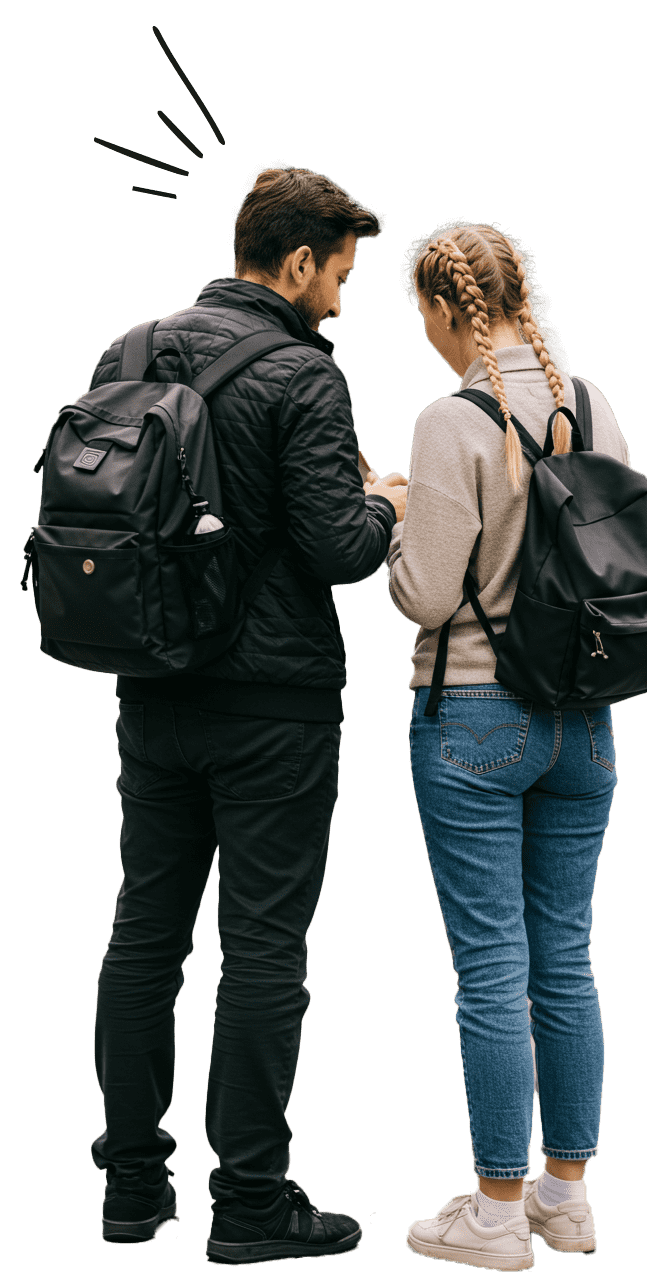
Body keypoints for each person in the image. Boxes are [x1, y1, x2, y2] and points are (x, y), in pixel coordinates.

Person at [89, 164, 407, 1264]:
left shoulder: (128, 352)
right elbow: (337, 549)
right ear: (298, 259)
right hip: (273, 706)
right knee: (263, 949)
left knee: (143, 935)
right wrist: (384, 501)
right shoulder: (303, 377)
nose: (338, 299)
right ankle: (250, 1204)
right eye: (338, 276)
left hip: (151, 687)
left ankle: (131, 1191)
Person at [381, 224, 629, 1269]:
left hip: (477, 716)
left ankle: (490, 1213)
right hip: (585, 717)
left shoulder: (451, 417)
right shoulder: (589, 402)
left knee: (491, 969)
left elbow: (429, 593)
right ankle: (562, 1198)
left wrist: (394, 512)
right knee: (564, 959)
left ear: (445, 310)